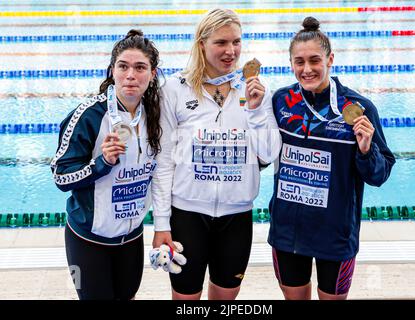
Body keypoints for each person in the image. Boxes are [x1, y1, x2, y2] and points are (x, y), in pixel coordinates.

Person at [151, 8, 282, 300]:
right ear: (202, 44)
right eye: (221, 43)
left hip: (236, 216)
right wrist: (161, 223)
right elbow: (163, 162)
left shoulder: (255, 90)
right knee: (186, 299)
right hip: (187, 215)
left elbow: (270, 153)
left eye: (236, 42)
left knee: (226, 297)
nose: (231, 51)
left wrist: (257, 110)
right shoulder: (174, 89)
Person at [269, 17, 396, 300]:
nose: (307, 69)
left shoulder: (358, 107)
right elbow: (262, 155)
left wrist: (366, 149)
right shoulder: (280, 101)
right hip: (288, 231)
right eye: (299, 62)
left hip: (335, 234)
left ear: (330, 59)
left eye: (315, 60)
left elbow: (379, 174)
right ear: (291, 63)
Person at [50, 29, 162, 300]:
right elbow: (60, 176)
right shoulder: (88, 116)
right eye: (123, 67)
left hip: (132, 237)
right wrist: (101, 163)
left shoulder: (158, 114)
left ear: (153, 74)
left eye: (140, 67)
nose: (131, 75)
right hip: (88, 240)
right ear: (112, 71)